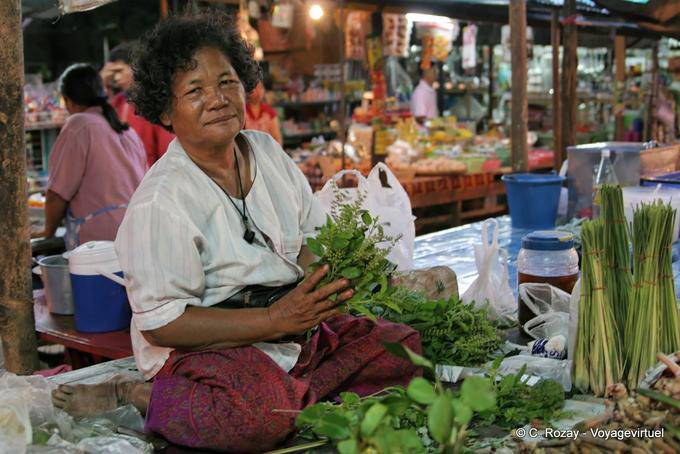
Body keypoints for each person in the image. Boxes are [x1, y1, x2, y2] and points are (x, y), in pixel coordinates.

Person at [51, 13, 421, 452]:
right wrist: (273, 319)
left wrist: (325, 284)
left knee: (401, 345)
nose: (218, 99)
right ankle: (143, 395)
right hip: (208, 349)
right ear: (167, 112)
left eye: (227, 82)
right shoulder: (161, 202)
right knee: (257, 415)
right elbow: (163, 325)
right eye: (195, 91)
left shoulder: (266, 151)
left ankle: (293, 397)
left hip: (287, 333)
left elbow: (309, 242)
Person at [34, 64, 147, 249]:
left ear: (68, 101)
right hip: (137, 236)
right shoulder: (127, 131)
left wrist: (47, 231)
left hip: (98, 245)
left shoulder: (78, 125)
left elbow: (56, 194)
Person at [101, 42, 175, 167]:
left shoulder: (156, 102)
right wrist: (101, 85)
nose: (116, 78)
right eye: (112, 73)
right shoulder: (116, 102)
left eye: (119, 71)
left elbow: (167, 153)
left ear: (136, 68)